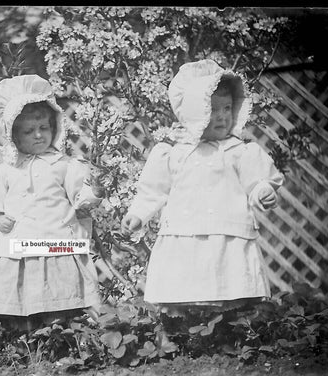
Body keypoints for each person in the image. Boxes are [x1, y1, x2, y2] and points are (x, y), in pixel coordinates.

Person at [121, 59, 284, 321]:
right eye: (213, 109)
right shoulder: (174, 154)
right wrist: (138, 214)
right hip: (185, 234)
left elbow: (257, 182)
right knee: (187, 284)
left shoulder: (238, 151)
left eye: (228, 108)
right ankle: (186, 326)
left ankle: (231, 326)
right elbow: (153, 189)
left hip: (227, 231)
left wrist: (262, 191)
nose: (222, 116)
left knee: (228, 282)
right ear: (195, 114)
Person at [0, 74, 105, 332]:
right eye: (28, 131)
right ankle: (24, 331)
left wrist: (94, 191)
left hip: (57, 239)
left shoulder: (64, 165)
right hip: (20, 242)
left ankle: (61, 329)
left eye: (44, 128)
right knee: (23, 291)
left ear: (55, 126)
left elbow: (81, 199)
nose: (38, 136)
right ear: (12, 134)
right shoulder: (5, 169)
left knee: (60, 292)